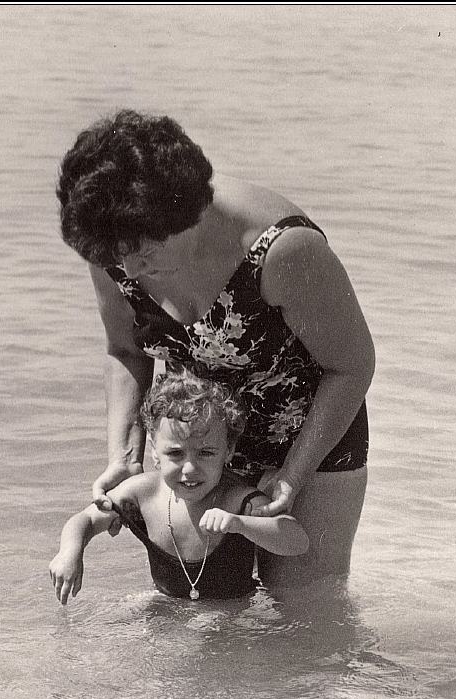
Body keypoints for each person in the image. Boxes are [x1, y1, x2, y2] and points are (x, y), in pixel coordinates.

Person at [55, 109, 375, 587]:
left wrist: (291, 476)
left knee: (304, 614)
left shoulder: (281, 249)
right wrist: (124, 454)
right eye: (117, 257)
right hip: (201, 436)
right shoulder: (117, 245)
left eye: (144, 254)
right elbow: (125, 350)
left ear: (191, 217)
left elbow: (351, 366)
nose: (129, 270)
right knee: (212, 611)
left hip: (311, 432)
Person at [49, 372, 308, 604]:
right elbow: (85, 519)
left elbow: (297, 539)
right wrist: (70, 552)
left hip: (231, 618)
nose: (189, 469)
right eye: (175, 453)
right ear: (155, 450)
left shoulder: (237, 501)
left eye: (206, 453)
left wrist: (240, 524)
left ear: (228, 450)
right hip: (168, 606)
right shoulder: (142, 495)